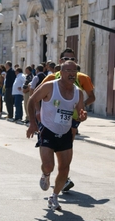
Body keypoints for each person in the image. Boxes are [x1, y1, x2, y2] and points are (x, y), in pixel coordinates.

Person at [26, 60, 87, 211]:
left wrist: (82, 116)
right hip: (47, 129)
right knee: (49, 165)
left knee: (64, 169)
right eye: (69, 71)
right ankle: (45, 174)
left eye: (75, 71)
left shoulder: (78, 92)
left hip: (65, 132)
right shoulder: (50, 86)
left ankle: (54, 196)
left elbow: (80, 112)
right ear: (61, 72)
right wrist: (32, 123)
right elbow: (32, 99)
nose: (72, 74)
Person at [40, 47, 96, 192]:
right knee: (50, 152)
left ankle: (64, 177)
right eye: (65, 59)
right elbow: (37, 94)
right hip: (51, 120)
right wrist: (39, 112)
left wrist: (79, 107)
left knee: (65, 148)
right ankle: (48, 171)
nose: (69, 61)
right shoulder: (52, 78)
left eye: (72, 59)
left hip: (71, 119)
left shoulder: (82, 78)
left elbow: (92, 97)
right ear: (60, 61)